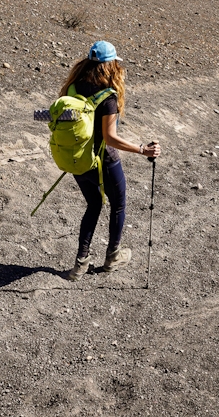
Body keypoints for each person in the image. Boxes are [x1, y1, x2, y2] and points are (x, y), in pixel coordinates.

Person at [59, 40, 159, 281]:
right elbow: (110, 138)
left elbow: (54, 116)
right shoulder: (108, 97)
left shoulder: (73, 88)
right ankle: (112, 257)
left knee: (93, 205)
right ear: (110, 65)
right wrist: (142, 149)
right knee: (119, 205)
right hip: (104, 161)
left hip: (79, 159)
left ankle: (80, 265)